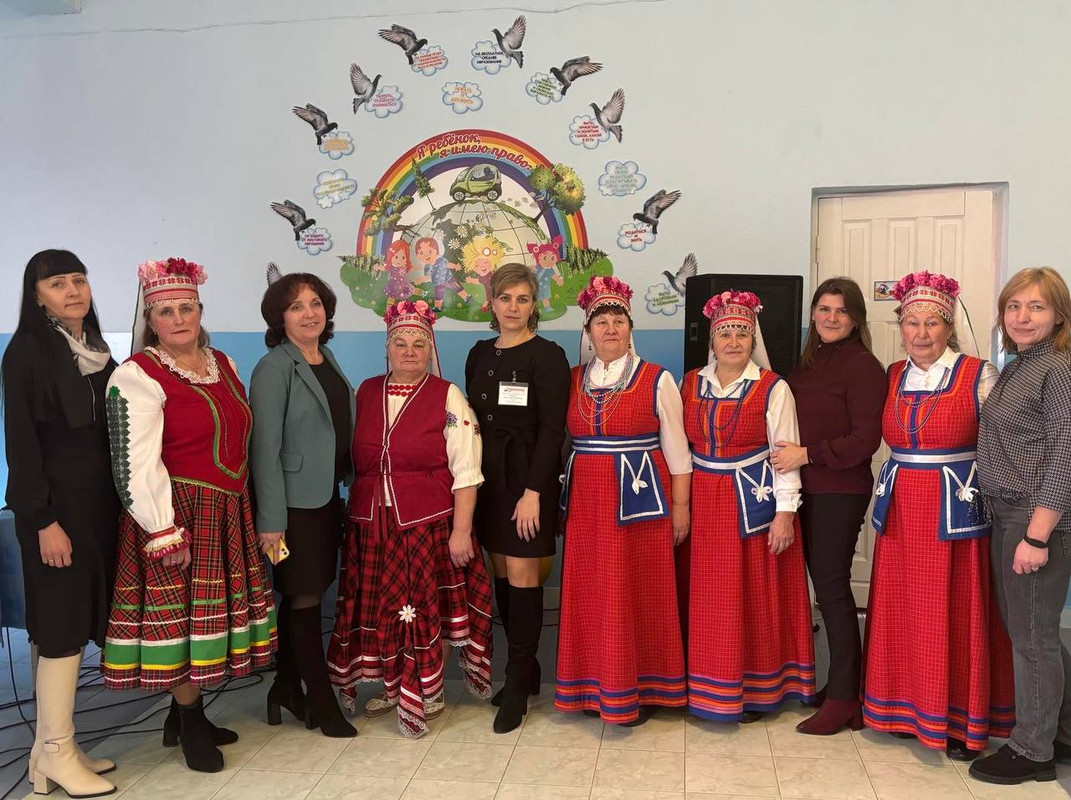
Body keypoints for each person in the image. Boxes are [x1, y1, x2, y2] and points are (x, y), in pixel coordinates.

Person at [102, 258, 277, 773]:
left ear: (200, 311)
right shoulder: (137, 375)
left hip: (226, 511)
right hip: (176, 514)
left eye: (187, 308)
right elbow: (133, 461)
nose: (178, 319)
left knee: (203, 620)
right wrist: (163, 529)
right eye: (166, 311)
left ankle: (181, 717)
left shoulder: (223, 363)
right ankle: (191, 721)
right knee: (178, 621)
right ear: (150, 320)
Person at [862, 270, 1014, 761]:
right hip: (902, 507)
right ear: (901, 327)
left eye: (932, 323)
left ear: (949, 328)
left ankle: (958, 719)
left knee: (952, 609)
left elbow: (1003, 443)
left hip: (955, 510)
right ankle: (903, 710)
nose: (921, 333)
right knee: (904, 607)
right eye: (912, 323)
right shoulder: (892, 374)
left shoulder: (978, 374)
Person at [327, 300, 494, 738]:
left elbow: (467, 469)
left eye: (419, 344)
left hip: (427, 522)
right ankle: (393, 683)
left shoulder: (447, 395)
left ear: (429, 349)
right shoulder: (365, 392)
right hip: (370, 524)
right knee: (380, 609)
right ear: (387, 348)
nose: (409, 352)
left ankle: (427, 689)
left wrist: (462, 531)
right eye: (400, 343)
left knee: (422, 608)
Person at [2, 250, 120, 797]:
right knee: (60, 629)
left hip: (96, 509)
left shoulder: (94, 348)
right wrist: (43, 520)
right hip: (55, 514)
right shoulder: (26, 352)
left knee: (79, 621)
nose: (72, 291)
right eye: (57, 283)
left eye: (78, 280)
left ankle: (53, 751)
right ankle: (55, 751)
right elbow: (22, 446)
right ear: (37, 295)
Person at [555, 276, 691, 727]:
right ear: (588, 331)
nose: (610, 329)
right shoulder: (572, 379)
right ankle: (591, 684)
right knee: (592, 591)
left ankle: (643, 687)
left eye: (618, 321)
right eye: (602, 322)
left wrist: (681, 508)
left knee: (640, 590)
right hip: (587, 501)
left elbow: (678, 452)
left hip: (640, 500)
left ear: (631, 328)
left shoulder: (657, 378)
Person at [681, 290, 815, 723]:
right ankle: (707, 684)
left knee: (752, 596)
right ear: (712, 341)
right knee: (710, 597)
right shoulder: (690, 383)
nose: (734, 341)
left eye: (742, 333)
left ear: (753, 339)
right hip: (703, 501)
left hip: (752, 503)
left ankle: (755, 688)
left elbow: (785, 455)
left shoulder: (773, 387)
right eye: (725, 333)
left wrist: (784, 515)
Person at [972, 267, 1071, 785]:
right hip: (1008, 512)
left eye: (1036, 307)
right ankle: (1062, 729)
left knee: (1033, 637)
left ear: (1059, 315)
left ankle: (1033, 750)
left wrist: (1037, 534)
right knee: (1031, 630)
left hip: (1035, 517)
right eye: (1014, 306)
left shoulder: (1058, 369)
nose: (1022, 317)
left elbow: (1065, 453)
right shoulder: (1020, 365)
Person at [774, 278, 885, 734]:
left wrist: (808, 454)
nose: (831, 317)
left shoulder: (863, 366)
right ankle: (841, 685)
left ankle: (844, 699)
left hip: (839, 489)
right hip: (805, 489)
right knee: (824, 588)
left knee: (834, 589)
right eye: (824, 309)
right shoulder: (808, 363)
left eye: (841, 311)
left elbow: (866, 439)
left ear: (856, 318)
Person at [250, 270, 356, 738]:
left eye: (315, 304)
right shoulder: (274, 368)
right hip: (291, 508)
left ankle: (285, 686)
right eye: (296, 307)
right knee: (305, 595)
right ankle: (321, 699)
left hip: (326, 496)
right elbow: (265, 451)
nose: (309, 313)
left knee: (305, 593)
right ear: (280, 318)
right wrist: (271, 521)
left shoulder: (324, 357)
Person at [465, 263, 570, 733]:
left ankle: (517, 682)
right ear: (492, 303)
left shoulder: (547, 356)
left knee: (526, 575)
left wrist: (533, 492)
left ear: (534, 306)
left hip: (529, 480)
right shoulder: (478, 353)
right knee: (503, 575)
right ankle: (526, 671)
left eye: (523, 299)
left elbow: (552, 431)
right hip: (488, 480)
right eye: (506, 298)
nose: (513, 307)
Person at [414, 236, 470, 311]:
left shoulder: (441, 260)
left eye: (430, 251)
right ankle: (437, 307)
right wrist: (421, 279)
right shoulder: (427, 266)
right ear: (418, 256)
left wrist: (455, 266)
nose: (426, 255)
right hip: (438, 284)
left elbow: (448, 264)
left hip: (448, 279)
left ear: (436, 252)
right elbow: (428, 276)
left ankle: (466, 296)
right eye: (421, 253)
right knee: (438, 295)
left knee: (457, 287)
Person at [526, 237, 565, 310]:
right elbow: (530, 268)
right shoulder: (537, 268)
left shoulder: (550, 270)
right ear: (538, 258)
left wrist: (558, 280)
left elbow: (554, 276)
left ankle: (547, 307)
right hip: (535, 287)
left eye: (552, 258)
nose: (549, 261)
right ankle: (532, 309)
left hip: (544, 287)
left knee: (545, 298)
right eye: (545, 258)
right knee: (533, 298)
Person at [382, 239, 415, 306]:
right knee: (391, 297)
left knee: (408, 293)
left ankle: (422, 293)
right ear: (391, 256)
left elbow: (412, 267)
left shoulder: (405, 266)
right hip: (393, 286)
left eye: (403, 257)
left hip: (403, 285)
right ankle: (389, 309)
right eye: (396, 257)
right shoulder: (391, 266)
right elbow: (383, 268)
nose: (399, 260)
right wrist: (378, 267)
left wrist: (417, 267)